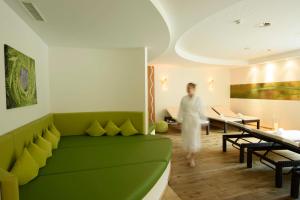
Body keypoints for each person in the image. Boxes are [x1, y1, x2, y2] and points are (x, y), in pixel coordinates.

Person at [177, 82, 206, 167]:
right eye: (187, 88)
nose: (188, 89)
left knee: (194, 139)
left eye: (190, 88)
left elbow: (201, 111)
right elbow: (181, 110)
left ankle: (192, 159)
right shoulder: (183, 99)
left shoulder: (198, 99)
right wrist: (179, 120)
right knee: (187, 138)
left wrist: (204, 120)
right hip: (186, 121)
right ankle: (189, 152)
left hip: (194, 121)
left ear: (194, 89)